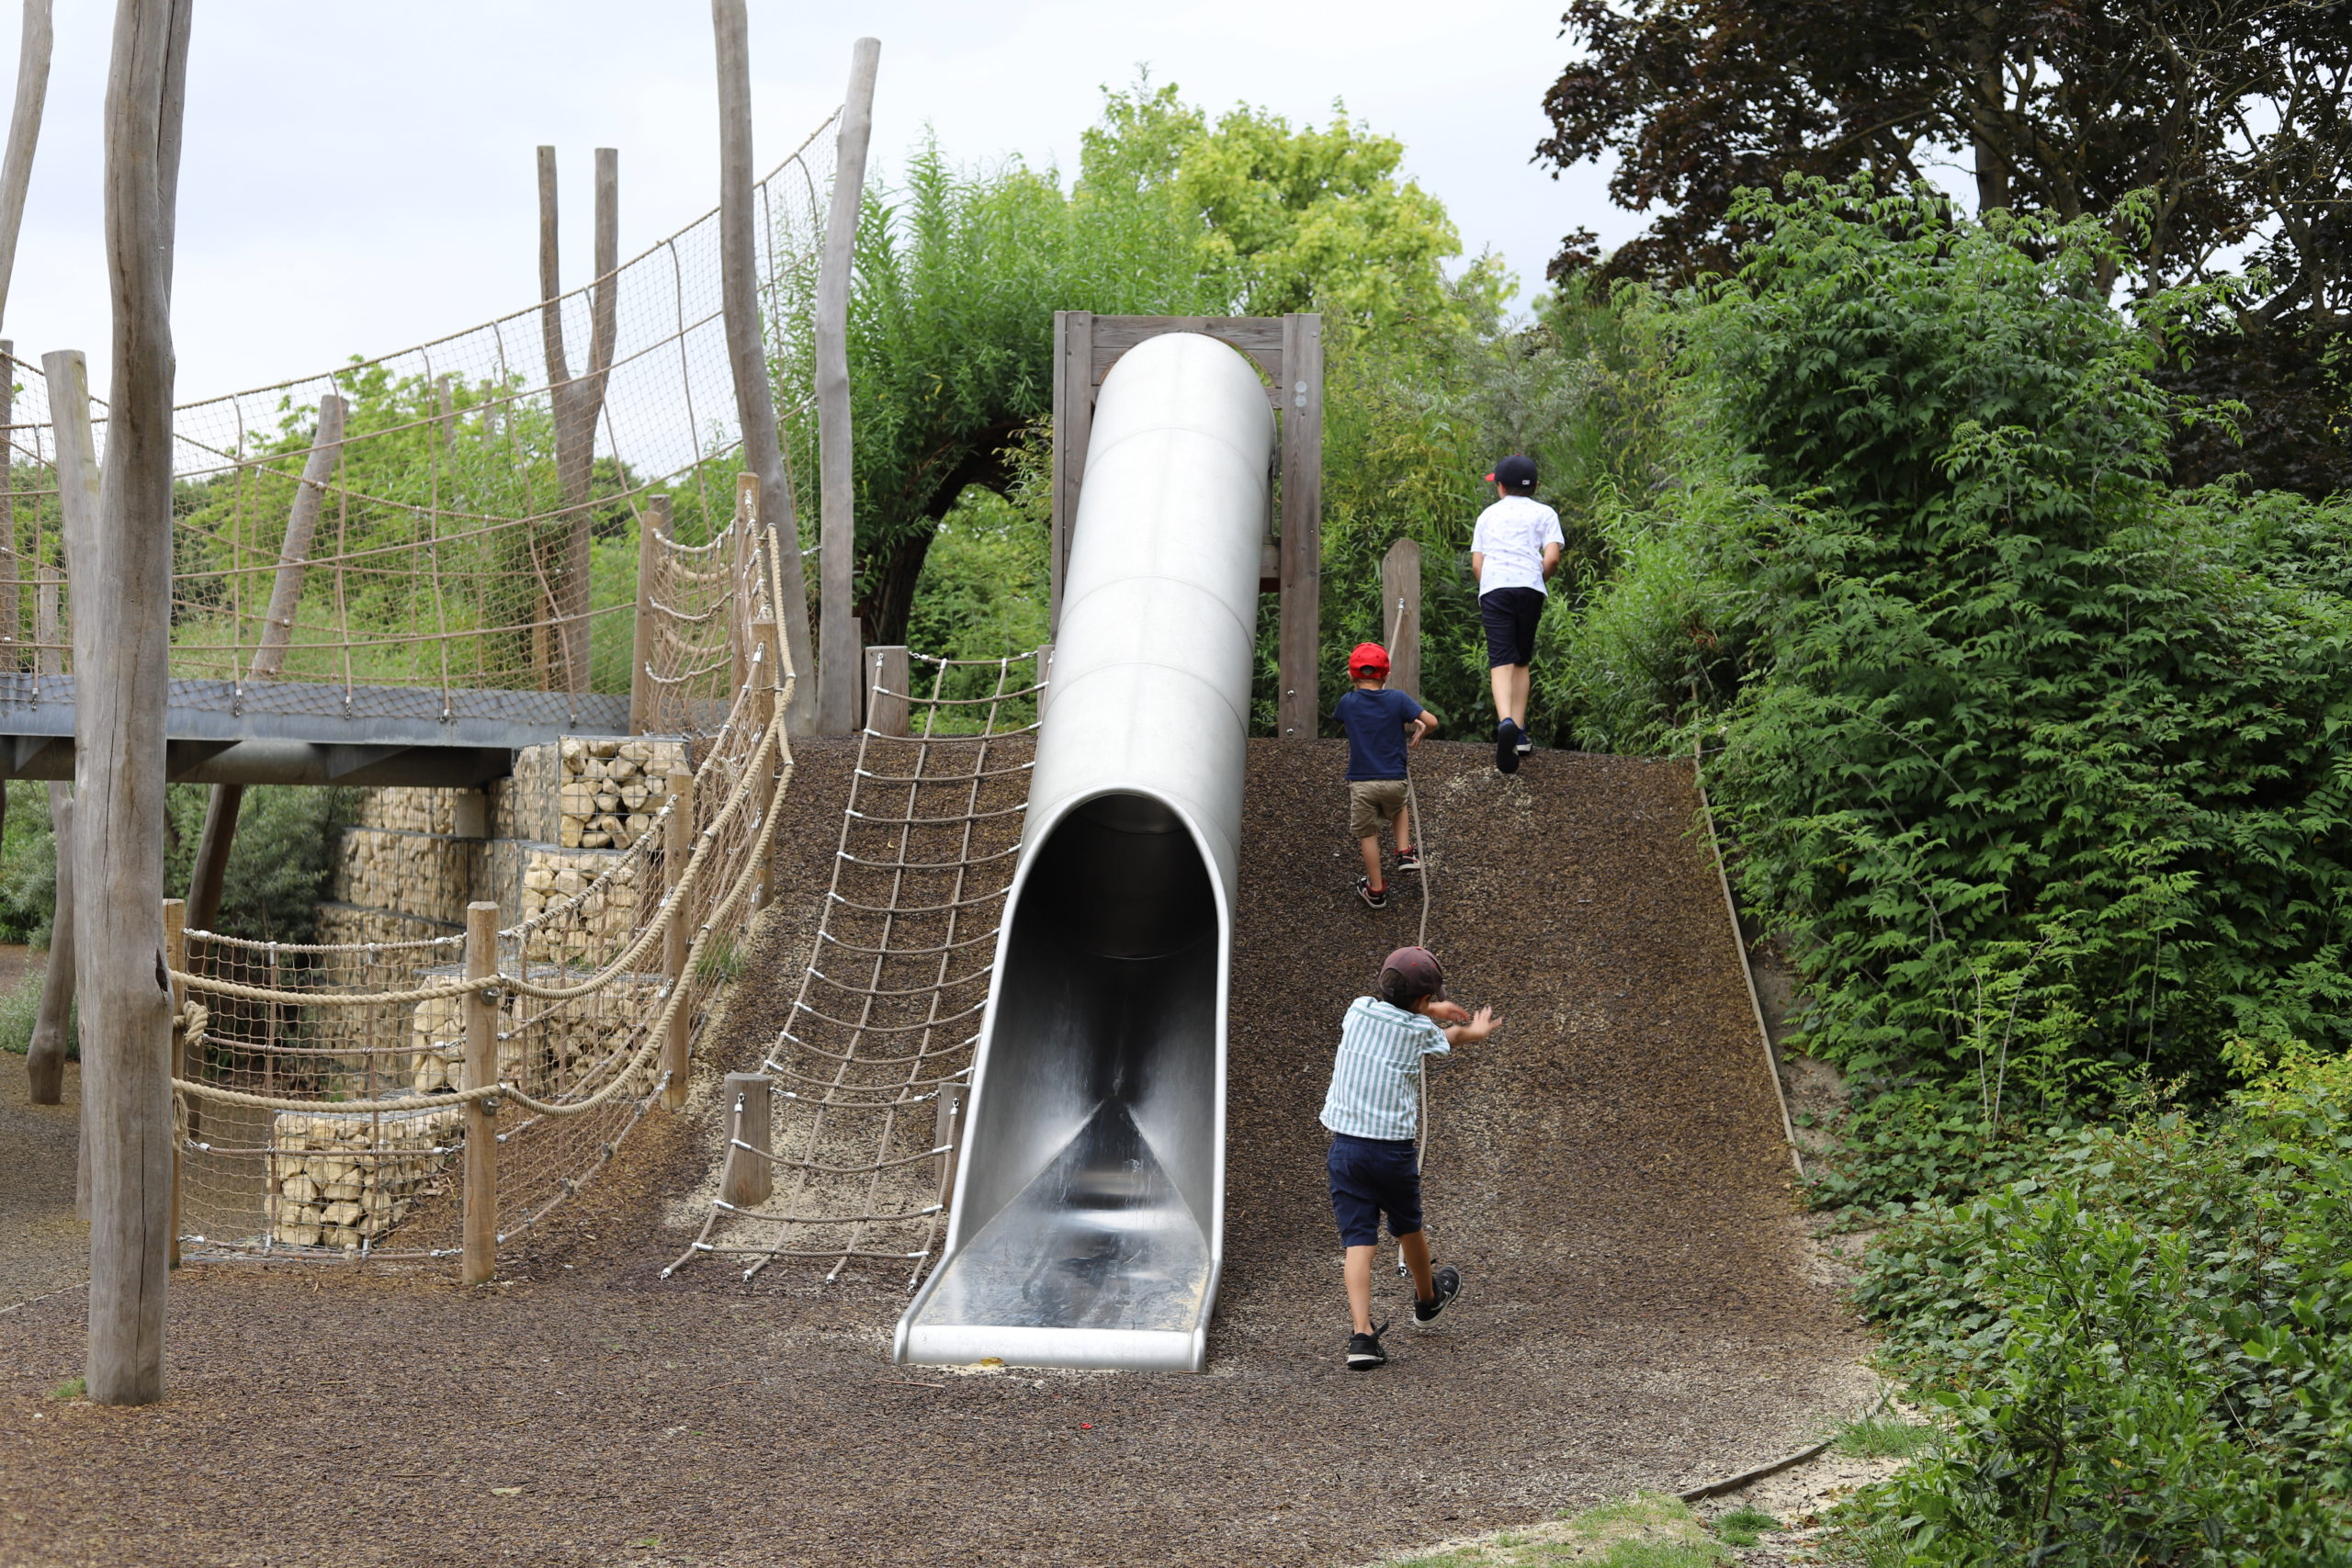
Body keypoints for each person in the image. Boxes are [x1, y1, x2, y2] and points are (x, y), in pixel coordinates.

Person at [1318, 944, 1497, 1370]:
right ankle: (1428, 1300)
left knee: (1358, 1243)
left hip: (1346, 1149)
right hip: (1392, 1151)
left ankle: (1361, 1336)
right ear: (1423, 1001)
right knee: (1408, 1228)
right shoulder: (1418, 1031)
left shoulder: (1358, 1010)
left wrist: (1431, 1008)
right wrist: (1469, 1030)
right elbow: (1446, 1038)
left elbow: (1399, 1013)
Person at [1469, 454, 1565, 774]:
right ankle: (1520, 734)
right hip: (1530, 588)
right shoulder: (1546, 513)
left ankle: (1505, 721)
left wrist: (1493, 585)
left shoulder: (1487, 516)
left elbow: (1477, 565)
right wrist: (1538, 579)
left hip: (1495, 587)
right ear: (1536, 486)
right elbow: (1551, 559)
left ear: (1500, 486)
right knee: (1522, 659)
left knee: (1501, 660)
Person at [1331, 642, 1438, 908]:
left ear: (1350, 675)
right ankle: (1404, 852)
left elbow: (1343, 719)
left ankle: (1376, 889)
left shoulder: (1347, 702)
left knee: (1368, 833)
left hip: (1362, 781)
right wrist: (1420, 726)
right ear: (1387, 675)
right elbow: (1433, 721)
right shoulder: (1398, 699)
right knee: (1399, 806)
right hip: (1394, 778)